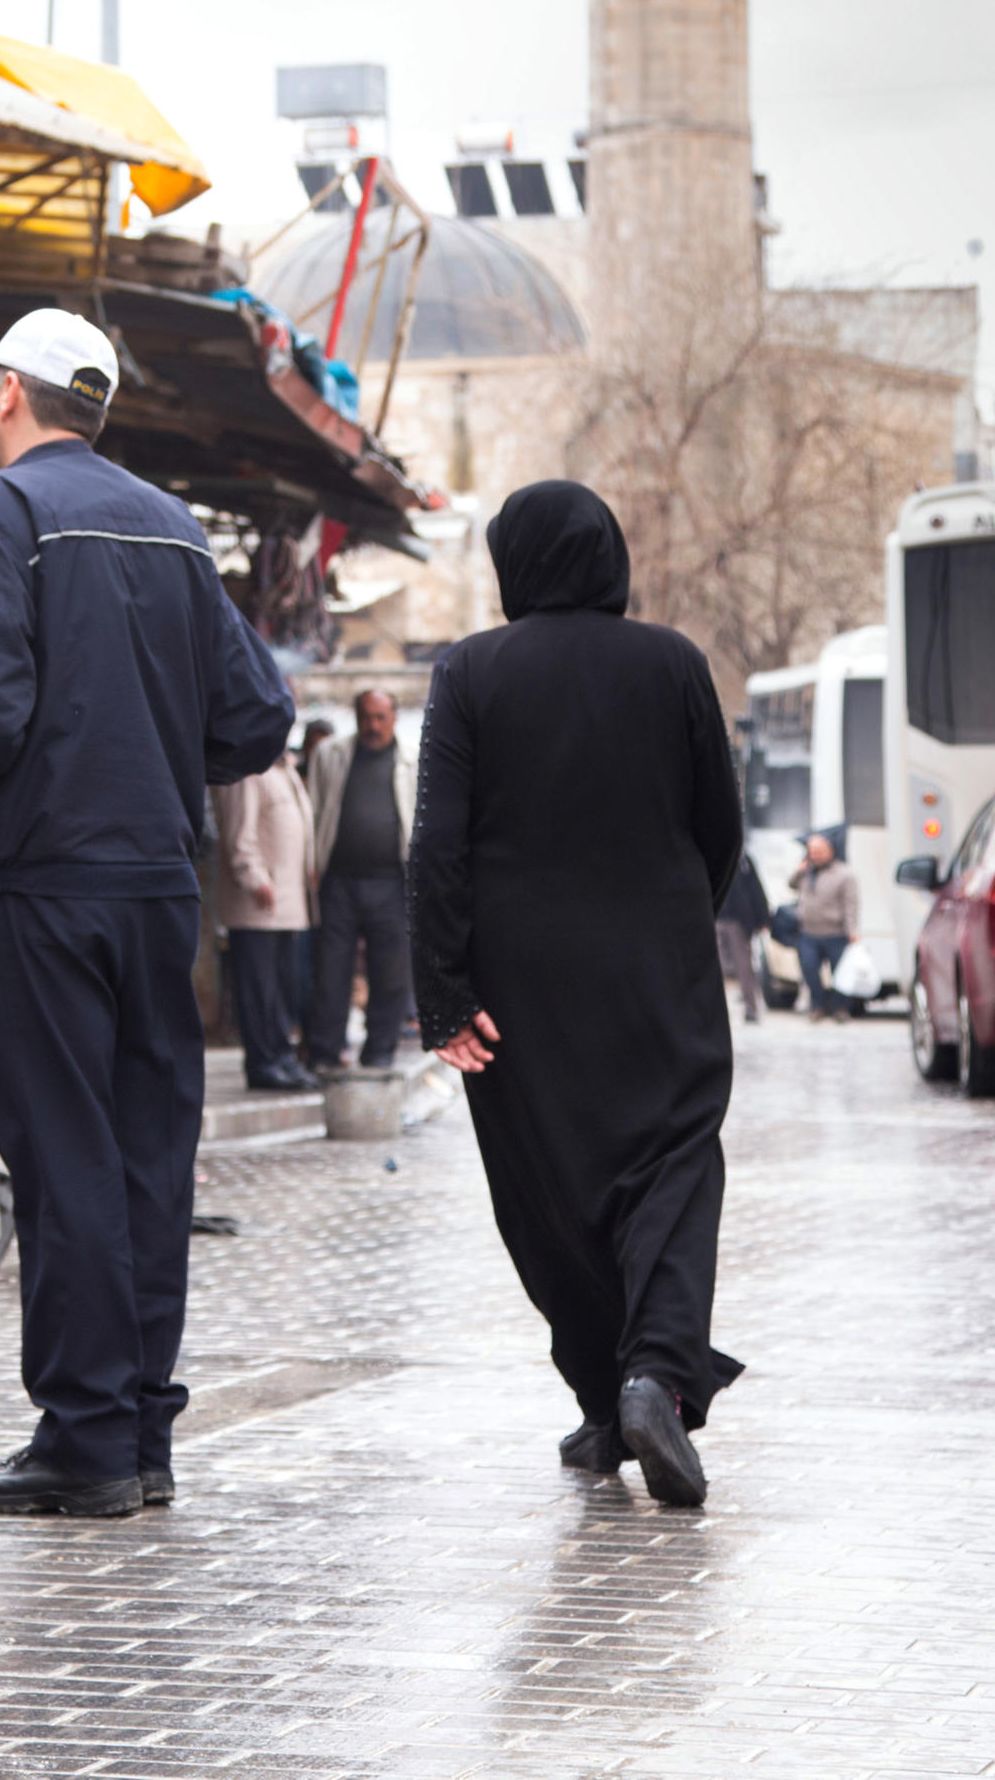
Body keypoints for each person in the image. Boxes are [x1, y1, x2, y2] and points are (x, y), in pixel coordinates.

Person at [0, 308, 295, 1520]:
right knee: (142, 1160)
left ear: (9, 392)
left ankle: (83, 1437)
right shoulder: (172, 528)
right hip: (154, 890)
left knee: (63, 1153)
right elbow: (257, 716)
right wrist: (150, 751)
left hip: (41, 884)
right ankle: (139, 1433)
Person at [415, 480, 748, 1509]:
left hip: (519, 982)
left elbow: (438, 846)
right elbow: (718, 824)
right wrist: (683, 914)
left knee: (548, 1192)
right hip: (659, 965)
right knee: (672, 1168)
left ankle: (610, 1395)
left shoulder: (470, 670)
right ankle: (647, 1377)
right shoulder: (675, 663)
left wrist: (443, 994)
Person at [305, 689, 418, 1073]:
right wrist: (312, 864)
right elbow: (314, 810)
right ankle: (325, 1051)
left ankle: (380, 1050)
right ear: (356, 718)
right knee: (331, 970)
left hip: (392, 882)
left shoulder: (412, 760)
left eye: (380, 717)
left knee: (390, 970)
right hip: (339, 881)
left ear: (394, 717)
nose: (373, 725)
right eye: (366, 717)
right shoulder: (331, 755)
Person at [206, 752, 316, 1092]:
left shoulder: (285, 769)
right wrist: (253, 878)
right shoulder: (247, 767)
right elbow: (239, 833)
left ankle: (281, 1057)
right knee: (258, 988)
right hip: (259, 904)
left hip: (287, 903)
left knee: (282, 986)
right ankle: (264, 1062)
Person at [789, 832, 858, 1020]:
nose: (816, 855)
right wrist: (799, 870)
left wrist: (852, 931)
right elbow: (791, 885)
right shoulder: (807, 871)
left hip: (835, 933)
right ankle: (818, 1005)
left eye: (820, 851)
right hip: (809, 933)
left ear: (831, 851)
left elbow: (850, 904)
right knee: (809, 970)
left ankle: (840, 1008)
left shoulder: (844, 874)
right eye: (812, 851)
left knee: (840, 974)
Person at [712, 854, 768, 1027]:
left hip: (737, 920)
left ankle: (751, 1008)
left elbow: (754, 888)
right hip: (715, 917)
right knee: (713, 967)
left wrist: (762, 918)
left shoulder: (743, 859)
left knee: (744, 966)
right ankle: (714, 1012)